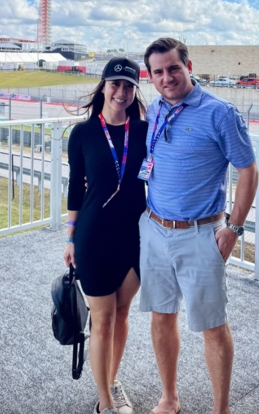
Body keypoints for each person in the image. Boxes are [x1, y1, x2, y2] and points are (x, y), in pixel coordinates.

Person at [139, 38, 258, 414]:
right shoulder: (155, 109)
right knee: (161, 316)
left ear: (188, 65)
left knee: (212, 325)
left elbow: (249, 171)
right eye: (158, 72)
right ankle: (169, 398)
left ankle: (220, 409)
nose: (167, 77)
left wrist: (234, 229)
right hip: (155, 229)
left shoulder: (219, 113)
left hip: (200, 233)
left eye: (173, 68)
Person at [63, 58, 148, 414]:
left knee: (122, 314)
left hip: (135, 236)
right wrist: (70, 237)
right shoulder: (82, 134)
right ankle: (105, 401)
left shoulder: (144, 131)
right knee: (102, 319)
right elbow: (75, 187)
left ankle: (112, 381)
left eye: (129, 86)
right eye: (115, 84)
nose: (122, 92)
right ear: (103, 86)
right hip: (93, 237)